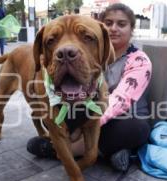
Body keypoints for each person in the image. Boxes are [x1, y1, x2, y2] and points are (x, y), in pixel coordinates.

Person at [26, 3, 152, 172]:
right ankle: (110, 152)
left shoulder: (140, 60)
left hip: (123, 116)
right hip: (87, 112)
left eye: (121, 24)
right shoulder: (82, 51)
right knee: (50, 116)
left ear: (131, 30)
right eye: (108, 23)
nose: (114, 28)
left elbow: (120, 100)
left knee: (137, 129)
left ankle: (71, 150)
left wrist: (78, 130)